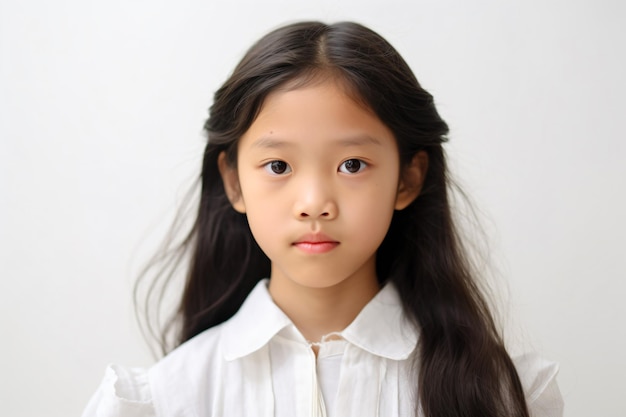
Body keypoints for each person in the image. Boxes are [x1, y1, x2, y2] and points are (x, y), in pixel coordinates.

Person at [82, 21, 563, 417]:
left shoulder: (505, 396)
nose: (314, 203)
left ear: (407, 179)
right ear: (233, 182)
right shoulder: (158, 402)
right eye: (278, 166)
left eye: (352, 165)